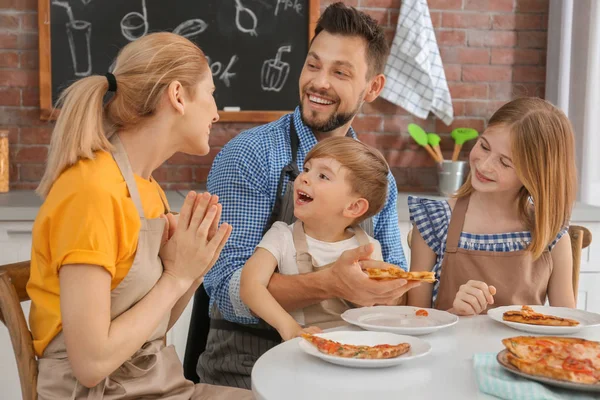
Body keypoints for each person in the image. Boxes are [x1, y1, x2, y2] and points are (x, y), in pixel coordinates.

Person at [197, 2, 413, 389]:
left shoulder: (379, 178)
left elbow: (394, 287)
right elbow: (226, 287)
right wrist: (332, 282)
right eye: (313, 65)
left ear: (373, 87)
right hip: (247, 365)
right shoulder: (250, 155)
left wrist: (388, 293)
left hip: (347, 363)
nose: (319, 83)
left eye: (340, 72)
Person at [26, 32, 251, 399]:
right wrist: (176, 277)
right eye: (210, 93)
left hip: (150, 383)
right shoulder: (92, 191)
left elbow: (151, 329)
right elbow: (91, 364)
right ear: (178, 95)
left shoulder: (148, 189)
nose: (216, 111)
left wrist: (194, 268)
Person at [406, 97, 577, 315]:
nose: (484, 165)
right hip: (453, 349)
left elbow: (567, 324)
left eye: (504, 162)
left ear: (535, 174)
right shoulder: (433, 219)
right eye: (484, 146)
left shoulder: (552, 229)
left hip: (527, 348)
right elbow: (416, 319)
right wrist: (453, 313)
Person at [240, 137, 422, 341]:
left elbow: (372, 311)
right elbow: (250, 286)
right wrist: (289, 328)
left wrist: (388, 294)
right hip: (301, 350)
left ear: (353, 207)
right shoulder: (281, 236)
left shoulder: (369, 247)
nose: (304, 177)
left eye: (323, 176)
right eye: (307, 169)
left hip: (356, 349)